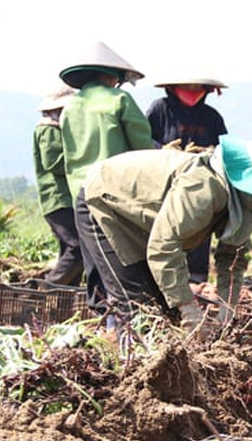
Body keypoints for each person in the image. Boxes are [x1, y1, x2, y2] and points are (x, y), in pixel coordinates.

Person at [75, 130, 252, 337]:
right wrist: (189, 308)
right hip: (107, 202)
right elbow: (164, 245)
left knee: (164, 309)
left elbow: (232, 256)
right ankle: (127, 370)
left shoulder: (248, 203)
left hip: (149, 223)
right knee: (138, 307)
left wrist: (227, 308)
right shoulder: (203, 188)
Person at [59, 40, 157, 312]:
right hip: (114, 190)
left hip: (80, 190)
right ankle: (129, 318)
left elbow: (69, 153)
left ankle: (100, 316)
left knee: (94, 257)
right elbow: (142, 147)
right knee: (123, 255)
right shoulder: (119, 100)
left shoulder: (70, 107)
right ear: (112, 76)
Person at [146, 76, 229, 286]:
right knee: (162, 233)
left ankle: (196, 282)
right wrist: (163, 151)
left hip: (199, 189)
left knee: (199, 230)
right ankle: (160, 281)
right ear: (173, 87)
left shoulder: (211, 117)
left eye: (197, 87)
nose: (192, 90)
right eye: (187, 86)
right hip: (164, 184)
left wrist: (209, 152)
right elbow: (143, 141)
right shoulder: (159, 110)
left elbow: (225, 150)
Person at [32, 83, 83, 286]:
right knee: (77, 247)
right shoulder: (48, 128)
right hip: (57, 198)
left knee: (69, 250)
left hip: (65, 198)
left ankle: (61, 298)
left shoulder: (57, 127)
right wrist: (81, 158)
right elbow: (53, 162)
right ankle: (46, 286)